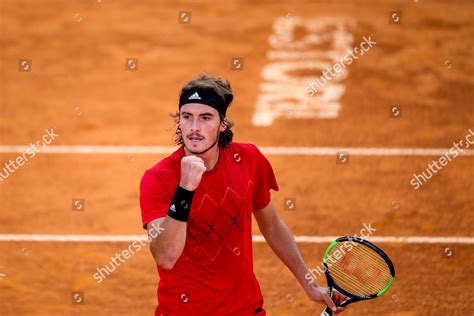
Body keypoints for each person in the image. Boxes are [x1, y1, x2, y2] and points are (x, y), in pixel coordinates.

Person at [139, 74, 348, 315]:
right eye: (187, 117)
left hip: (245, 309)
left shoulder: (249, 160)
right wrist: (185, 189)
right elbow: (165, 257)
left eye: (205, 118)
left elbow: (272, 226)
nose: (194, 128)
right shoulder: (157, 178)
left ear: (223, 123)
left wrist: (310, 285)